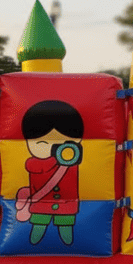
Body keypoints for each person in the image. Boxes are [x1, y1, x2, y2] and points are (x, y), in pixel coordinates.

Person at [16, 100, 84, 246]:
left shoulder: (71, 158)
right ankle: (34, 242)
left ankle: (68, 243)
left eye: (60, 143)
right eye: (43, 143)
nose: (55, 149)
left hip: (67, 204)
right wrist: (55, 158)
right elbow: (36, 167)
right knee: (38, 226)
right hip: (41, 202)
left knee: (66, 227)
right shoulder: (33, 163)